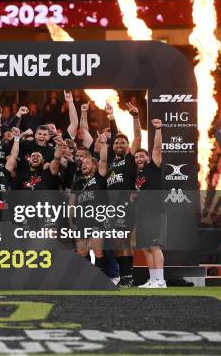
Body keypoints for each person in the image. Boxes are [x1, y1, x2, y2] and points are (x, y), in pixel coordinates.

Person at [105, 102, 141, 287]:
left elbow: (137, 137)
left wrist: (135, 117)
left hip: (126, 205)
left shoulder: (129, 159)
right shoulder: (112, 163)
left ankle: (128, 276)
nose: (119, 144)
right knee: (115, 243)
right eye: (117, 142)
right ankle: (124, 276)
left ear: (128, 147)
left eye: (123, 142)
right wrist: (110, 118)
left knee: (125, 241)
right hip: (112, 208)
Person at [69, 132, 109, 274]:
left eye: (87, 162)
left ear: (95, 165)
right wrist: (71, 222)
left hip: (97, 219)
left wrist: (104, 144)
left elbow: (103, 160)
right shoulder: (78, 182)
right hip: (81, 220)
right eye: (82, 163)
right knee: (81, 252)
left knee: (98, 251)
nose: (83, 164)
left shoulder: (100, 176)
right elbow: (71, 204)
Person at [134, 119, 166, 289]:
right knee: (145, 247)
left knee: (153, 245)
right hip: (142, 213)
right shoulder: (138, 176)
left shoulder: (153, 166)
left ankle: (161, 280)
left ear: (147, 157)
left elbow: (157, 148)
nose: (139, 158)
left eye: (141, 156)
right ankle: (153, 279)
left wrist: (158, 129)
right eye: (137, 156)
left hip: (154, 211)